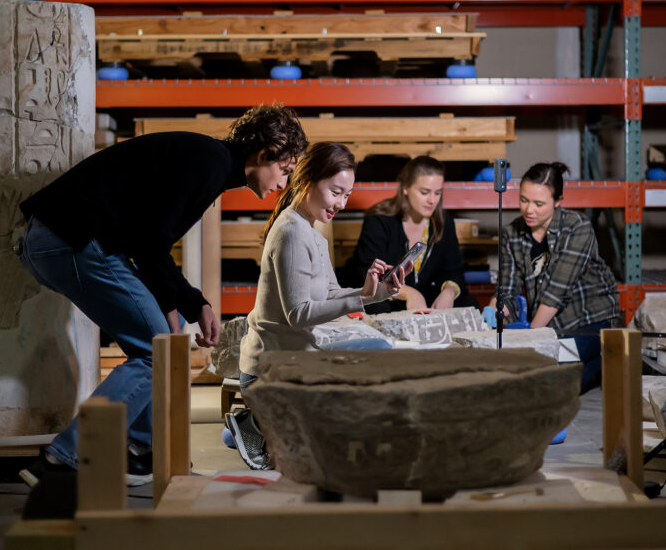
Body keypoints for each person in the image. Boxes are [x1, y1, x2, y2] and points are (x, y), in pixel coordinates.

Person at [16, 103, 307, 487]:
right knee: (153, 352)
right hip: (73, 241)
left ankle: (142, 452)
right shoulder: (210, 164)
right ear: (263, 154)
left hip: (59, 241)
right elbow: (150, 246)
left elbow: (146, 237)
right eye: (284, 171)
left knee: (161, 341)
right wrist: (194, 303)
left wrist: (171, 306)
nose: (282, 184)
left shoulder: (209, 161)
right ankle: (63, 459)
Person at [229, 142, 406, 469]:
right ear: (307, 179)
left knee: (379, 346)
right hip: (271, 367)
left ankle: (259, 421)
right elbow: (298, 315)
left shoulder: (312, 234)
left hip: (298, 356)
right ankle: (257, 421)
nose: (341, 203)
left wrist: (377, 292)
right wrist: (360, 298)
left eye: (347, 195)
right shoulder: (291, 232)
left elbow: (329, 293)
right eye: (336, 192)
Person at [485, 161, 620, 394]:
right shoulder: (511, 233)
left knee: (553, 382)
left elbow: (555, 294)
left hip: (587, 320)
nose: (529, 210)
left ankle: (604, 361)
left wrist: (528, 343)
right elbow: (507, 292)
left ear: (558, 202)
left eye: (539, 204)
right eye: (524, 200)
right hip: (548, 322)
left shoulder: (578, 228)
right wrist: (490, 317)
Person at [343, 156, 477, 314]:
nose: (432, 200)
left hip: (421, 294)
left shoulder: (442, 221)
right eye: (424, 192)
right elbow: (368, 273)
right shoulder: (379, 220)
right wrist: (409, 293)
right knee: (379, 307)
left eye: (438, 193)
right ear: (406, 188)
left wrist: (448, 292)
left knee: (468, 302)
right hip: (383, 295)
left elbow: (454, 271)